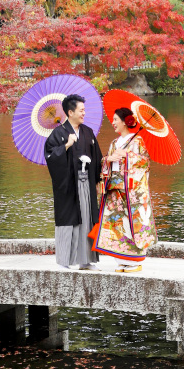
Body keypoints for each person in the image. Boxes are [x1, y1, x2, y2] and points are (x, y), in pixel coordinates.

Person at [92, 107, 157, 272]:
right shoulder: (115, 143)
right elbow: (105, 163)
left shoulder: (138, 141)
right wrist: (108, 159)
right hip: (114, 189)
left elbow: (145, 163)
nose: (113, 123)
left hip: (130, 192)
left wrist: (128, 156)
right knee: (115, 224)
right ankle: (121, 258)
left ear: (125, 121)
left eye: (115, 120)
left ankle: (134, 261)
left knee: (130, 224)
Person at [43, 93, 103, 270]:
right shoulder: (58, 133)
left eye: (84, 110)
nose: (84, 113)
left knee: (87, 219)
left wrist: (98, 180)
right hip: (68, 186)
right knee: (68, 221)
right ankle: (64, 261)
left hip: (87, 184)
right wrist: (66, 145)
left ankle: (86, 260)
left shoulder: (88, 132)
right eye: (81, 110)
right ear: (70, 112)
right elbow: (51, 156)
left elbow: (97, 157)